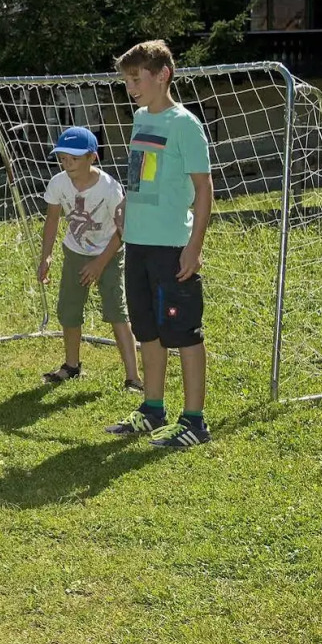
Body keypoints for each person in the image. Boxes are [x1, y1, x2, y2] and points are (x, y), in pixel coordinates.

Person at [104, 40, 214, 448]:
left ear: (163, 75)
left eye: (137, 79)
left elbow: (204, 189)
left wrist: (194, 246)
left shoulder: (185, 124)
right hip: (137, 244)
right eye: (127, 81)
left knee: (183, 332)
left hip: (171, 248)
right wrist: (126, 206)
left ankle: (194, 422)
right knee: (147, 330)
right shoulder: (139, 119)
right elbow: (139, 175)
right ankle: (153, 410)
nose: (131, 88)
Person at [34, 126, 140, 391]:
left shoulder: (109, 188)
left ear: (92, 157)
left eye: (74, 158)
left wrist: (100, 263)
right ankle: (72, 366)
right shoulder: (58, 183)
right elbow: (52, 220)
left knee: (117, 312)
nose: (67, 163)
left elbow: (123, 230)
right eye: (63, 158)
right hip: (75, 253)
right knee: (69, 311)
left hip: (109, 253)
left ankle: (133, 378)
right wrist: (46, 256)